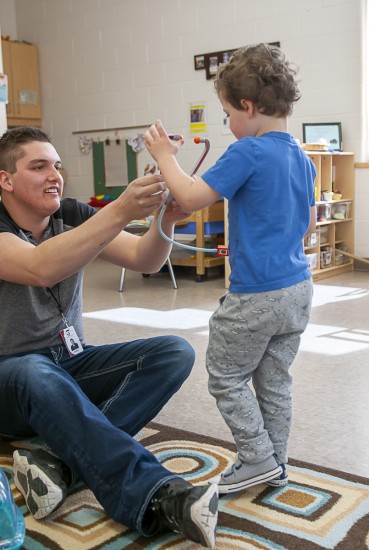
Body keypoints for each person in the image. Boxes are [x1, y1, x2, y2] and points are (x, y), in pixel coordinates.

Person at [0, 126, 218, 548]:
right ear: (5, 179)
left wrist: (164, 221)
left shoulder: (71, 214)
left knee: (173, 352)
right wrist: (119, 209)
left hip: (66, 363)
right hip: (12, 378)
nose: (55, 176)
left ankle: (59, 465)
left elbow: (144, 259)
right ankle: (157, 496)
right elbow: (37, 267)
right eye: (39, 166)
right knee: (34, 371)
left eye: (58, 166)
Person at [145, 43, 317, 494]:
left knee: (225, 376)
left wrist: (165, 156)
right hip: (298, 289)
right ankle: (276, 463)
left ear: (248, 106)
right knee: (274, 381)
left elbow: (190, 197)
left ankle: (256, 457)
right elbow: (310, 226)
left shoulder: (249, 152)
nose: (228, 124)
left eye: (227, 114)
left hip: (256, 294)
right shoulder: (303, 157)